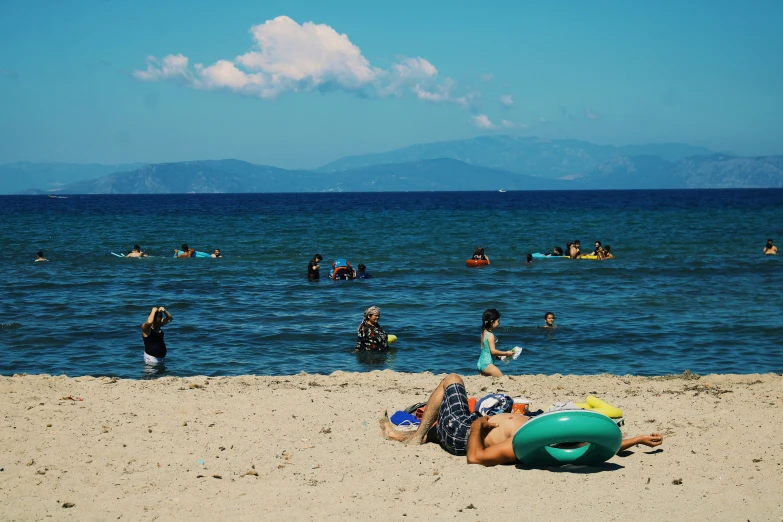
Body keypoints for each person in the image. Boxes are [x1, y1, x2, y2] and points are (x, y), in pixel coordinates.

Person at [380, 374, 664, 463]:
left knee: (452, 380)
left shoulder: (522, 445)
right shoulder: (547, 433)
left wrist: (479, 425)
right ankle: (406, 435)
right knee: (445, 421)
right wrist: (637, 439)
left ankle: (415, 436)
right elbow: (601, 445)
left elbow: (475, 458)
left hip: (465, 434)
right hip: (469, 425)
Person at [477, 309, 515, 377]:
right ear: (492, 322)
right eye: (498, 321)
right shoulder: (490, 335)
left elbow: (486, 350)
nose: (499, 324)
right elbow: (493, 351)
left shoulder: (483, 333)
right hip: (487, 364)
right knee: (502, 378)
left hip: (480, 363)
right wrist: (506, 353)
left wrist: (499, 357)